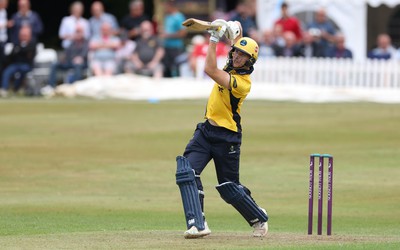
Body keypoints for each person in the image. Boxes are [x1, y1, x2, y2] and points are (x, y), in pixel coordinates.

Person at [175, 20, 268, 239]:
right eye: (235, 52)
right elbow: (239, 37)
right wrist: (231, 27)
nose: (236, 56)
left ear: (250, 61)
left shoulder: (242, 82)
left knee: (229, 188)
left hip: (227, 138)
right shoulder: (232, 63)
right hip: (205, 131)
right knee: (186, 171)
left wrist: (214, 38)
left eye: (242, 55)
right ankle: (197, 224)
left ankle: (258, 217)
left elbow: (209, 69)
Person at [41, 25, 88, 95]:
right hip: (70, 62)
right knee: (55, 64)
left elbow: (85, 53)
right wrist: (62, 59)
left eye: (79, 32)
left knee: (78, 65)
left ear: (83, 33)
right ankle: (51, 86)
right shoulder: (72, 42)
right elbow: (66, 53)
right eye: (76, 32)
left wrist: (80, 58)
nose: (78, 34)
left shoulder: (86, 42)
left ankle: (74, 88)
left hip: (81, 63)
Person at [0, 25, 36, 97]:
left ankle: (16, 89)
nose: (23, 36)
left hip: (26, 65)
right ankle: (4, 89)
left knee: (22, 72)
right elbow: (12, 55)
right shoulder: (16, 43)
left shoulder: (32, 44)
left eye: (25, 35)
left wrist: (19, 50)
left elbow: (30, 56)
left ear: (29, 35)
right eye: (22, 35)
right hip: (16, 64)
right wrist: (20, 51)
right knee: (7, 71)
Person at [160, 0, 186, 77]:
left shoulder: (179, 17)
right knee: (167, 68)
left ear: (170, 6)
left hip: (176, 47)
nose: (164, 8)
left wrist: (168, 35)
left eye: (165, 6)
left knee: (176, 68)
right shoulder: (167, 16)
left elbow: (183, 33)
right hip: (166, 46)